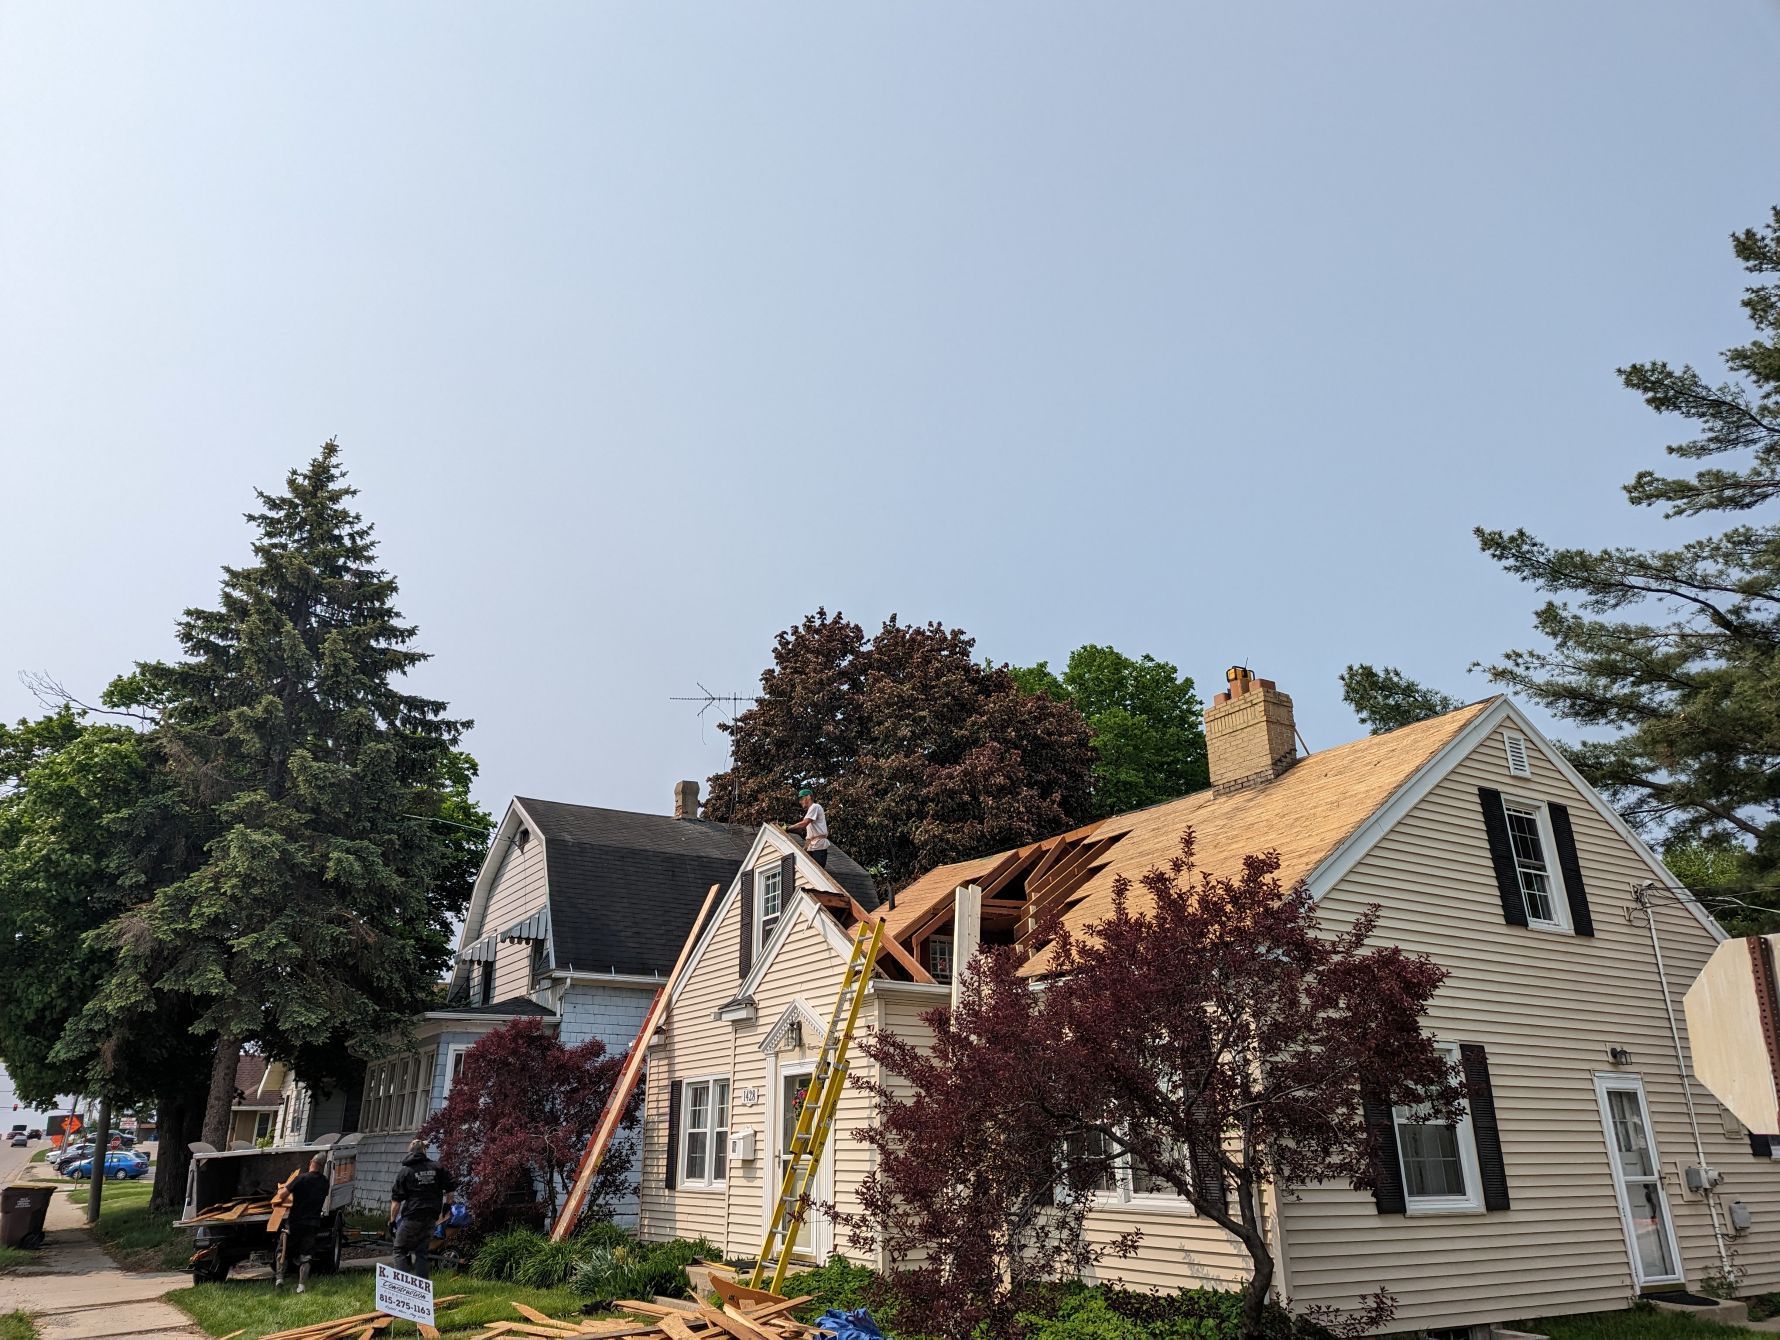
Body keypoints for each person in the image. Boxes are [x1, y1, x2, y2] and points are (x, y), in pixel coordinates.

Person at [389, 1138, 456, 1279]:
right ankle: (422, 1287)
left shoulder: (406, 1172)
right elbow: (451, 1188)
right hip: (432, 1216)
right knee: (422, 1251)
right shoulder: (437, 1168)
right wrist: (447, 1206)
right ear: (424, 1151)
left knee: (399, 1249)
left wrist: (392, 1220)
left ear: (410, 1152)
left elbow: (396, 1201)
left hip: (412, 1216)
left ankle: (402, 1284)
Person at [275, 1153, 331, 1293]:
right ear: (322, 1166)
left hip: (295, 1223)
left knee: (283, 1249)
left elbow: (281, 1196)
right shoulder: (325, 1182)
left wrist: (281, 1190)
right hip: (312, 1223)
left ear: (311, 1162)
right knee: (306, 1255)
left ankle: (279, 1280)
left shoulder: (301, 1178)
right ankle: (301, 1286)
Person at [787, 786, 829, 867]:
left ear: (809, 797)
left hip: (818, 845)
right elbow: (804, 830)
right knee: (808, 867)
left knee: (817, 870)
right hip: (812, 845)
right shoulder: (811, 811)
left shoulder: (815, 807)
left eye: (802, 799)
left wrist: (788, 828)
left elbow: (803, 824)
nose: (800, 802)